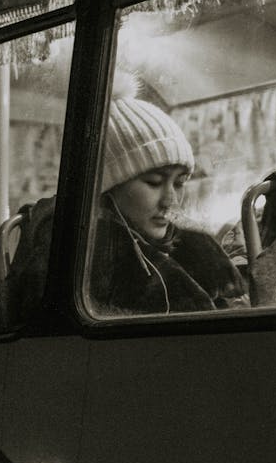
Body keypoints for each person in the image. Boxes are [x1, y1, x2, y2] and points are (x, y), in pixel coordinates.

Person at [89, 95, 248, 315]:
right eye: (154, 182)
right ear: (109, 186)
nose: (171, 201)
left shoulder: (192, 246)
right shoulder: (94, 264)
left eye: (180, 183)